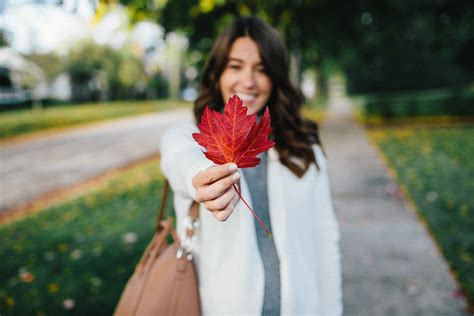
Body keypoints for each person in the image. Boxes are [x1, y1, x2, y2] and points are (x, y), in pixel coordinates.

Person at [160, 16, 342, 315]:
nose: (248, 81)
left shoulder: (301, 147)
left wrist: (331, 310)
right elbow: (177, 156)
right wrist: (201, 179)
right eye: (235, 66)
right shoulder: (192, 138)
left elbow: (325, 238)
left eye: (261, 69)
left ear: (276, 77)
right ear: (217, 73)